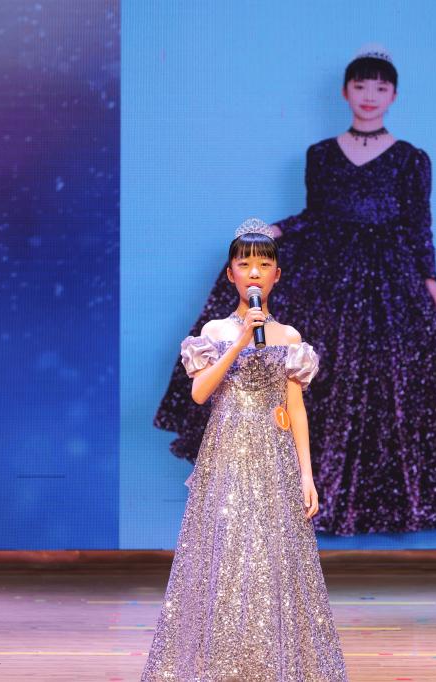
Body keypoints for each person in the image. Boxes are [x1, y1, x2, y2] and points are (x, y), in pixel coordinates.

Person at [154, 45, 436, 536]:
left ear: (394, 96)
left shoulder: (412, 159)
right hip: (331, 268)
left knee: (393, 378)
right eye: (360, 86)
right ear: (345, 92)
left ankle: (380, 500)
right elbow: (316, 214)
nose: (370, 95)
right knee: (312, 365)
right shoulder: (321, 154)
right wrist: (276, 231)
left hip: (390, 274)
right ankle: (301, 488)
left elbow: (418, 222)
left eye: (380, 88)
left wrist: (428, 276)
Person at [141, 219, 348, 681]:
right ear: (231, 273)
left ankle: (273, 665)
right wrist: (238, 342)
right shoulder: (214, 331)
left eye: (264, 264)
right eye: (245, 264)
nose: (254, 272)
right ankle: (222, 665)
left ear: (277, 274)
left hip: (274, 458)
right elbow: (200, 393)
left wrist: (307, 474)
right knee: (228, 555)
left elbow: (295, 408)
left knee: (274, 558)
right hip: (228, 456)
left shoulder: (289, 338)